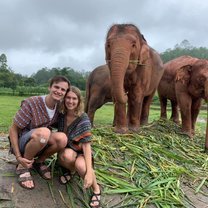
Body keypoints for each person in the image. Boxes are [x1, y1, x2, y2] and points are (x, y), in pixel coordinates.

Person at [9, 75, 70, 190]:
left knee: (62, 138)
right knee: (44, 133)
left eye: (63, 90)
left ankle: (39, 162)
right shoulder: (32, 103)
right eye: (56, 87)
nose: (59, 91)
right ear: (49, 87)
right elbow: (13, 129)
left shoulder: (59, 107)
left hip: (40, 142)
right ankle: (23, 166)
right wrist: (17, 156)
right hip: (23, 141)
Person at [57, 86, 101, 208]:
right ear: (64, 99)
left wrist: (88, 174)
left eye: (74, 98)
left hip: (82, 151)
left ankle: (97, 190)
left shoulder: (83, 118)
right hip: (68, 150)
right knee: (66, 156)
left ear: (79, 101)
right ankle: (71, 171)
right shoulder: (61, 115)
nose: (70, 101)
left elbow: (87, 147)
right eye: (68, 98)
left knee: (82, 167)